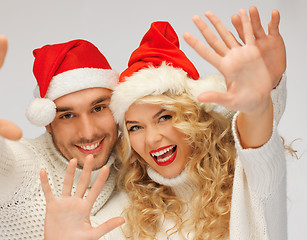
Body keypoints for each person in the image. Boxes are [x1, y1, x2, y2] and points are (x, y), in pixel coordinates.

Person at [41, 6, 288, 240]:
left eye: (165, 117)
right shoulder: (124, 216)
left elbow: (259, 144)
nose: (152, 139)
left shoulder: (247, 178)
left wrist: (259, 103)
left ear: (195, 117)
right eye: (135, 127)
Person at [0, 39, 124, 239]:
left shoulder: (132, 168)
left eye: (98, 108)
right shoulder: (28, 170)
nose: (88, 132)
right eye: (67, 115)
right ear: (47, 123)